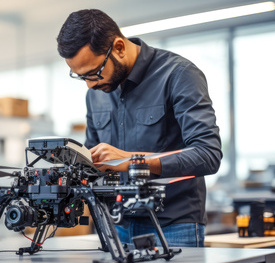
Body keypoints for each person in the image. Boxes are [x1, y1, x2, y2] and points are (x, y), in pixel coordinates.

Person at [56, 9, 222, 247]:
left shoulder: (179, 75)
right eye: (81, 77)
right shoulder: (96, 95)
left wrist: (135, 161)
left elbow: (208, 155)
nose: (90, 85)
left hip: (173, 225)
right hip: (116, 224)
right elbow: (93, 161)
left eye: (94, 73)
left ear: (119, 47)